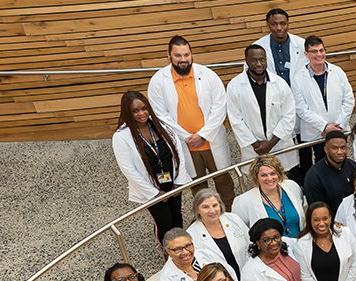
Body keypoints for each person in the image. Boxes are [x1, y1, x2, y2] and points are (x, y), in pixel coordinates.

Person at [147, 36, 234, 204]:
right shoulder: (158, 81)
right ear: (169, 55)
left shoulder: (208, 75)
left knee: (223, 181)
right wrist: (188, 137)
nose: (183, 60)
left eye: (186, 55)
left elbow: (220, 107)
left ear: (191, 54)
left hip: (211, 141)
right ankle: (206, 217)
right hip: (184, 144)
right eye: (178, 55)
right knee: (197, 184)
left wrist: (202, 135)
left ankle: (231, 213)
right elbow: (160, 115)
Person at [113, 90, 193, 244]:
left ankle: (182, 246)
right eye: (135, 111)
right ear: (127, 112)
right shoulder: (121, 136)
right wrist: (155, 193)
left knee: (177, 217)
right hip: (151, 188)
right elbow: (128, 170)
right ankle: (168, 252)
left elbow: (178, 154)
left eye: (144, 108)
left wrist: (178, 181)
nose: (142, 113)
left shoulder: (161, 125)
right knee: (164, 222)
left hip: (172, 182)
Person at [227, 45, 297, 173]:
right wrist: (256, 145)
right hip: (254, 149)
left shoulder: (280, 84)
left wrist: (271, 144)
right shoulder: (234, 86)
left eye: (262, 59)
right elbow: (236, 120)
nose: (259, 64)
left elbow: (289, 116)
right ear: (246, 61)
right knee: (259, 182)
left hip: (279, 145)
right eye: (254, 60)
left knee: (284, 181)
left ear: (266, 60)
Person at [292, 36, 355, 165]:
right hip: (317, 132)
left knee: (341, 159)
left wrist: (337, 125)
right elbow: (301, 109)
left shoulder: (337, 72)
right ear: (306, 54)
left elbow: (349, 100)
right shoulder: (298, 78)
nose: (319, 54)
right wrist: (324, 127)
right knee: (322, 162)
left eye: (322, 50)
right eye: (314, 51)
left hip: (339, 128)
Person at [233, 154, 306, 237]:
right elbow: (239, 231)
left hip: (300, 244)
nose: (270, 178)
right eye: (263, 175)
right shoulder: (243, 202)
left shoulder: (292, 186)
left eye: (273, 173)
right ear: (256, 177)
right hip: (272, 248)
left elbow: (301, 203)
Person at [188, 189, 249, 279]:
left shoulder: (233, 219)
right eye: (205, 207)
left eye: (215, 205)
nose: (212, 211)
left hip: (247, 275)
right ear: (197, 210)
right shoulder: (191, 234)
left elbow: (250, 243)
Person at [304, 130, 356, 215]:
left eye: (343, 147)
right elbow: (317, 210)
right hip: (332, 223)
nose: (340, 152)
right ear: (326, 149)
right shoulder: (313, 177)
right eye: (335, 148)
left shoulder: (353, 166)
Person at [255, 9, 305, 88]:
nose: (279, 28)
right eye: (274, 24)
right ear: (267, 25)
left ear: (288, 24)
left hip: (298, 91)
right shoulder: (257, 47)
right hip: (271, 92)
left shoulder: (302, 45)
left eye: (283, 24)